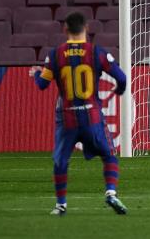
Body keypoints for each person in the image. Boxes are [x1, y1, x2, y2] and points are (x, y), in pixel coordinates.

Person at [30, 12, 128, 215]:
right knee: (109, 156)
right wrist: (118, 91)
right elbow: (122, 78)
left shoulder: (55, 54)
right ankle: (110, 192)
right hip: (92, 116)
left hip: (67, 119)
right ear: (87, 28)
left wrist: (36, 73)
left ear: (65, 29)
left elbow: (42, 85)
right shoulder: (96, 53)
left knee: (61, 161)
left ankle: (61, 205)